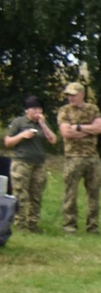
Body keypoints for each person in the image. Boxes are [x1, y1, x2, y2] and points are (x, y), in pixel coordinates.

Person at [56, 81, 101, 235]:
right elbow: (66, 133)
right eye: (68, 95)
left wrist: (78, 127)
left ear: (82, 95)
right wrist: (90, 131)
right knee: (71, 193)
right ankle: (69, 226)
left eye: (73, 95)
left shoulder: (93, 109)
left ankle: (93, 226)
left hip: (92, 157)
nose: (70, 98)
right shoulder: (64, 111)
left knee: (94, 193)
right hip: (73, 157)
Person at [4, 96, 56, 233]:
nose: (38, 112)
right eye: (34, 109)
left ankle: (33, 224)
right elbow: (8, 142)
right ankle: (19, 224)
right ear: (27, 110)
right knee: (20, 194)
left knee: (36, 194)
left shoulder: (42, 123)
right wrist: (22, 135)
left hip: (39, 164)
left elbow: (53, 140)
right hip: (21, 162)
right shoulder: (19, 122)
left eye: (40, 109)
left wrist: (43, 124)